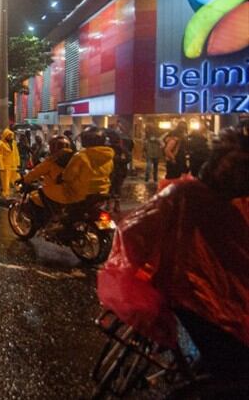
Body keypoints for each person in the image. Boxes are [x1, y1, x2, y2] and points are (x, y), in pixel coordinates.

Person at [97, 128, 249, 381]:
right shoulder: (190, 198)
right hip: (203, 302)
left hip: (207, 299)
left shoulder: (191, 197)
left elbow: (133, 234)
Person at [18, 135, 74, 233]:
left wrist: (24, 179)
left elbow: (35, 172)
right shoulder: (75, 158)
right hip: (73, 191)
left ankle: (51, 220)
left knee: (38, 194)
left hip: (58, 193)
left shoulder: (52, 161)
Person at [60, 127, 113, 205]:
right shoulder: (108, 156)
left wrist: (62, 177)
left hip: (82, 194)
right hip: (103, 191)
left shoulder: (80, 156)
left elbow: (68, 175)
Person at [107, 130, 129, 213]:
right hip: (113, 172)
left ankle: (115, 205)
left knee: (115, 189)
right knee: (113, 189)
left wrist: (116, 159)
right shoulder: (109, 149)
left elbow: (127, 159)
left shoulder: (121, 149)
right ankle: (110, 204)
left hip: (118, 172)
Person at [0, 128, 20, 198]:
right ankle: (6, 193)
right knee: (5, 181)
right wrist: (1, 166)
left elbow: (16, 153)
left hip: (13, 165)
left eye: (11, 135)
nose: (10, 136)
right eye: (9, 135)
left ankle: (20, 191)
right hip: (6, 166)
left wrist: (18, 163)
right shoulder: (0, 144)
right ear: (5, 135)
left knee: (17, 179)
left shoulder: (14, 143)